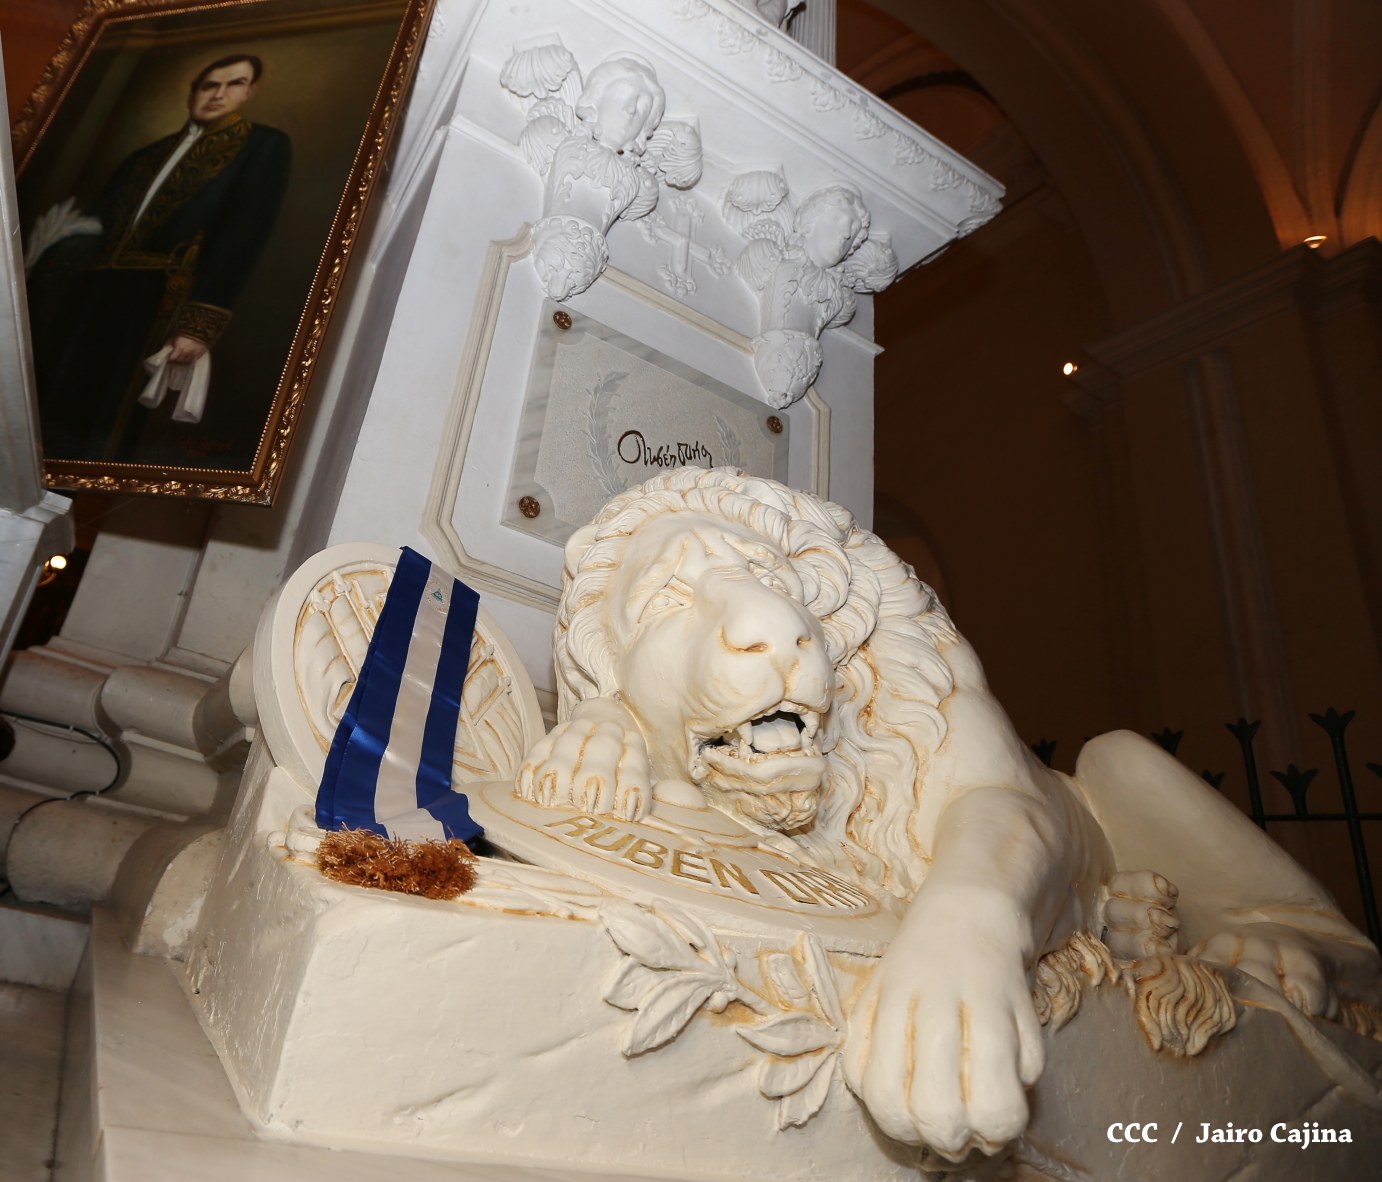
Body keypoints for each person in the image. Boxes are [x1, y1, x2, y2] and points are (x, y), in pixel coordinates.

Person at [26, 53, 291, 462]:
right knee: (58, 395)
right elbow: (96, 223)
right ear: (192, 93)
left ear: (249, 91)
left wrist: (199, 325)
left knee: (111, 417)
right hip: (91, 293)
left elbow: (243, 236)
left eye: (234, 84)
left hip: (161, 297)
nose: (218, 94)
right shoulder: (145, 155)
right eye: (209, 85)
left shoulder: (263, 145)